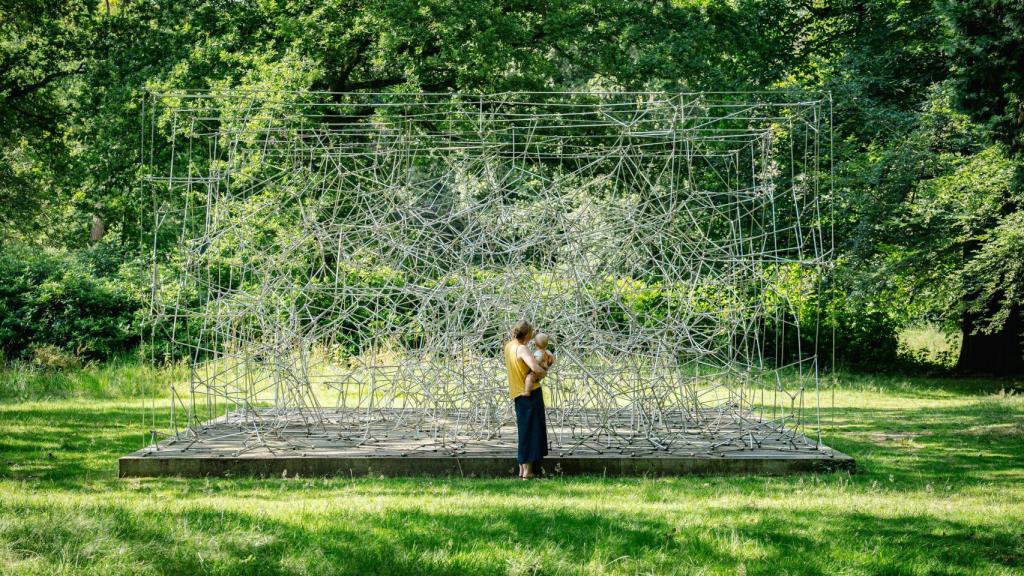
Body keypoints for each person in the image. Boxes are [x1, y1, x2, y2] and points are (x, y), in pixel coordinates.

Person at [504, 319, 549, 479]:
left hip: (517, 394)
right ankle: (528, 471)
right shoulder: (522, 349)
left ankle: (522, 470)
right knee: (532, 431)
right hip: (531, 394)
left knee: (524, 431)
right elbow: (535, 367)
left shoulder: (509, 346)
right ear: (528, 334)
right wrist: (544, 372)